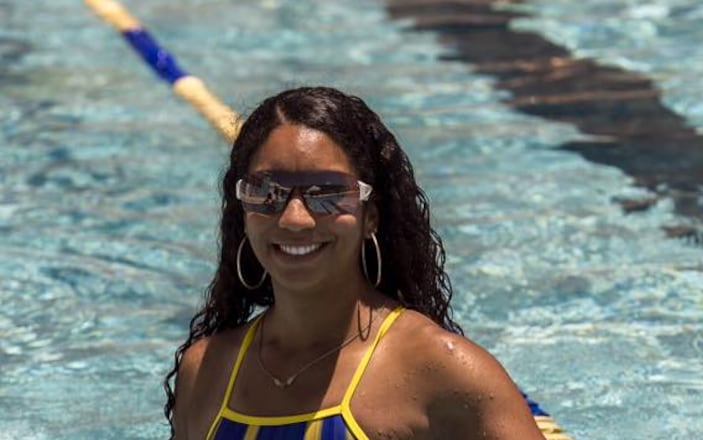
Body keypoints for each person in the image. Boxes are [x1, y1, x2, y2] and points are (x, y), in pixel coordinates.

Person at [164, 86, 546, 440]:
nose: (294, 218)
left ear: (371, 216)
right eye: (267, 191)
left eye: (327, 192)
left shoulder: (444, 372)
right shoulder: (207, 371)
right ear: (241, 211)